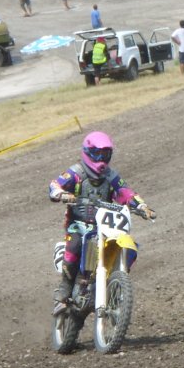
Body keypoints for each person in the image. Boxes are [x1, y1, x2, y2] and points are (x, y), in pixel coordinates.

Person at [48, 132, 155, 310]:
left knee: (127, 246)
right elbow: (55, 185)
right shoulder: (76, 173)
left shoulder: (110, 176)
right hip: (78, 225)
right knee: (74, 244)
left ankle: (114, 283)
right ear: (87, 152)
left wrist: (142, 206)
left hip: (103, 226)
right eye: (97, 154)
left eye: (106, 154)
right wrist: (61, 193)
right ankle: (65, 286)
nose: (102, 159)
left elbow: (125, 192)